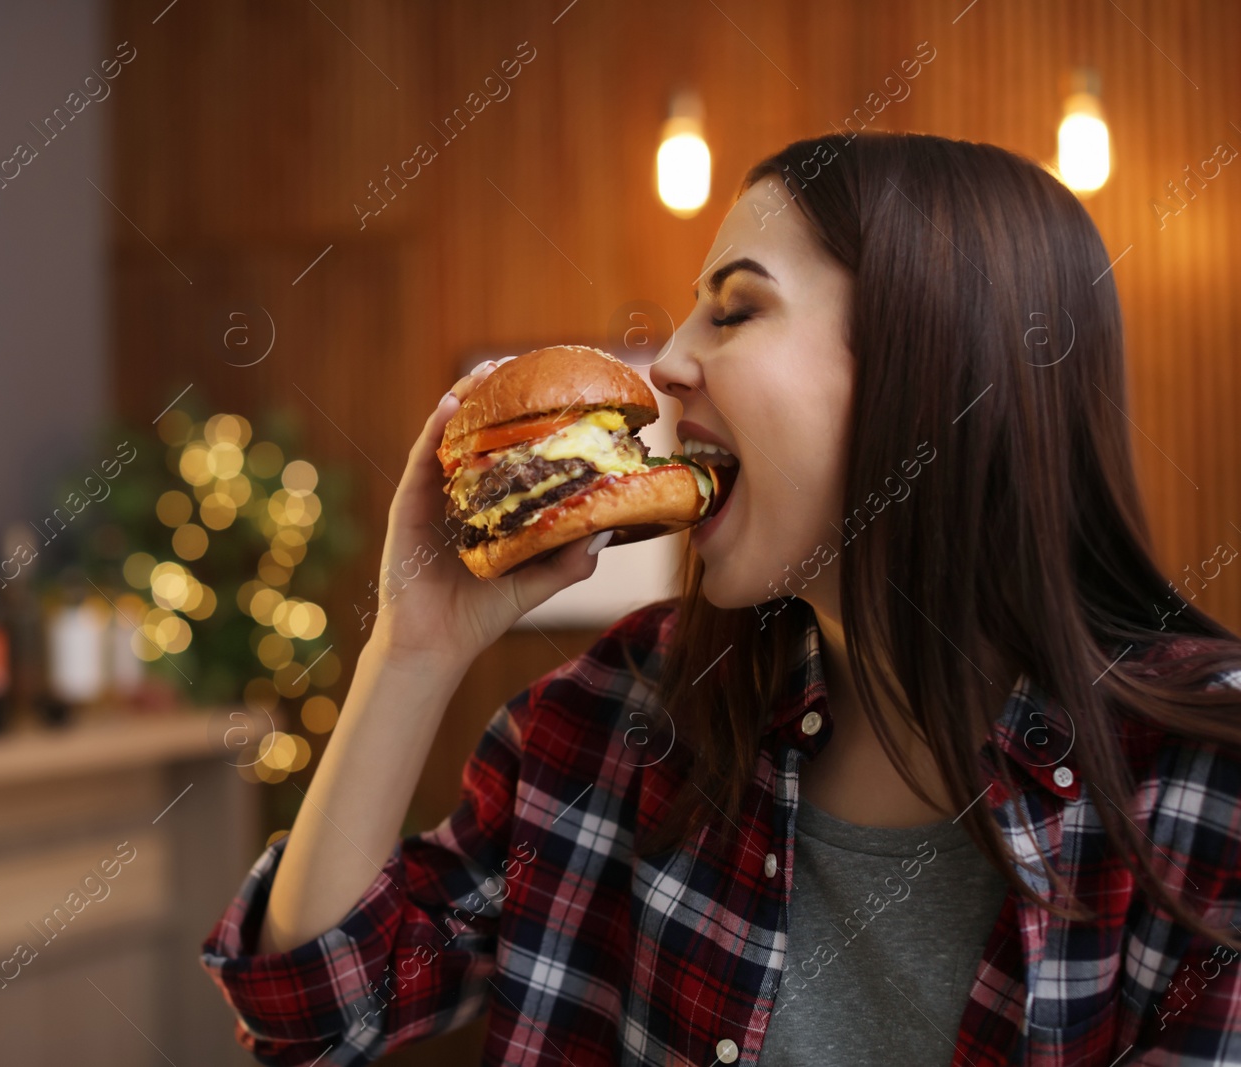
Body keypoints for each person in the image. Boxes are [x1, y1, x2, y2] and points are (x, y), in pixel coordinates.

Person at [200, 133, 1241, 1065]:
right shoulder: (615, 716)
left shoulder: (1206, 795)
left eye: (736, 309)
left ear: (929, 363)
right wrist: (412, 646)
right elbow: (314, 1015)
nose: (670, 366)